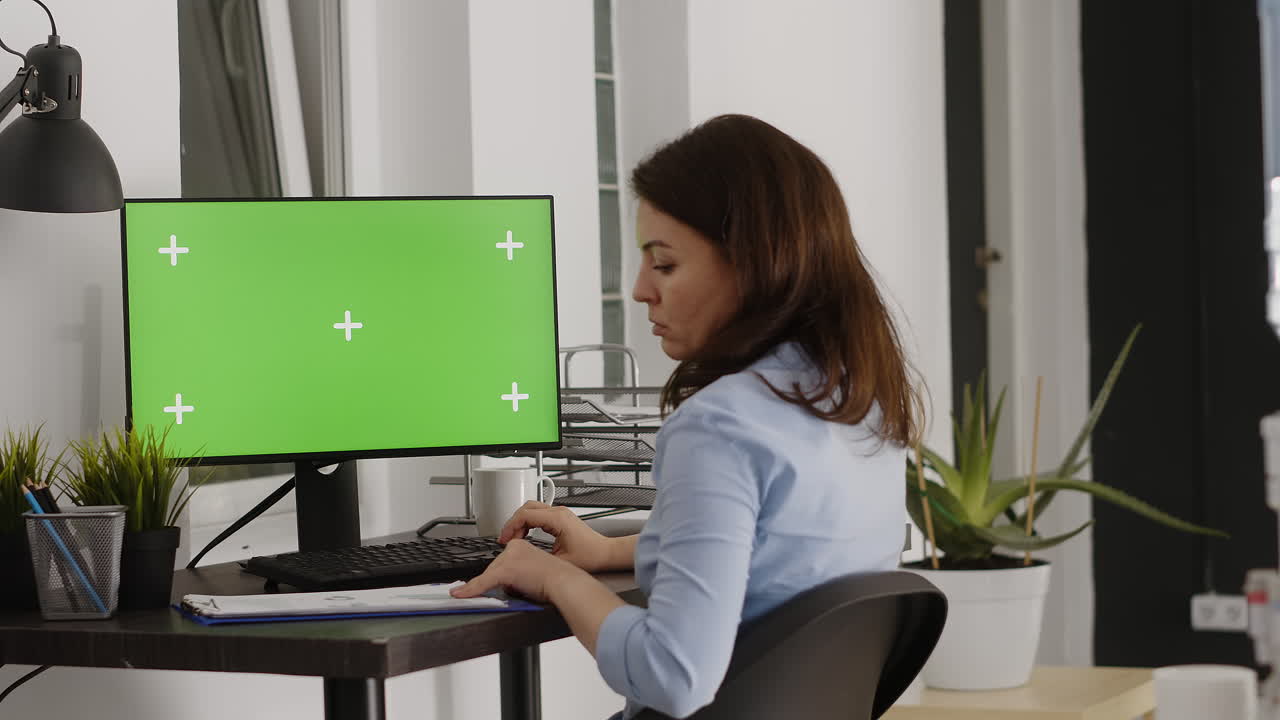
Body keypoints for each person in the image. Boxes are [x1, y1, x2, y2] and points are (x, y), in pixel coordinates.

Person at [451, 113, 922, 719]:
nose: (640, 288)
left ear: (754, 263)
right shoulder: (860, 401)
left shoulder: (722, 425)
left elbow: (675, 677)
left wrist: (555, 580)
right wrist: (607, 551)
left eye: (665, 264)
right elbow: (780, 547)